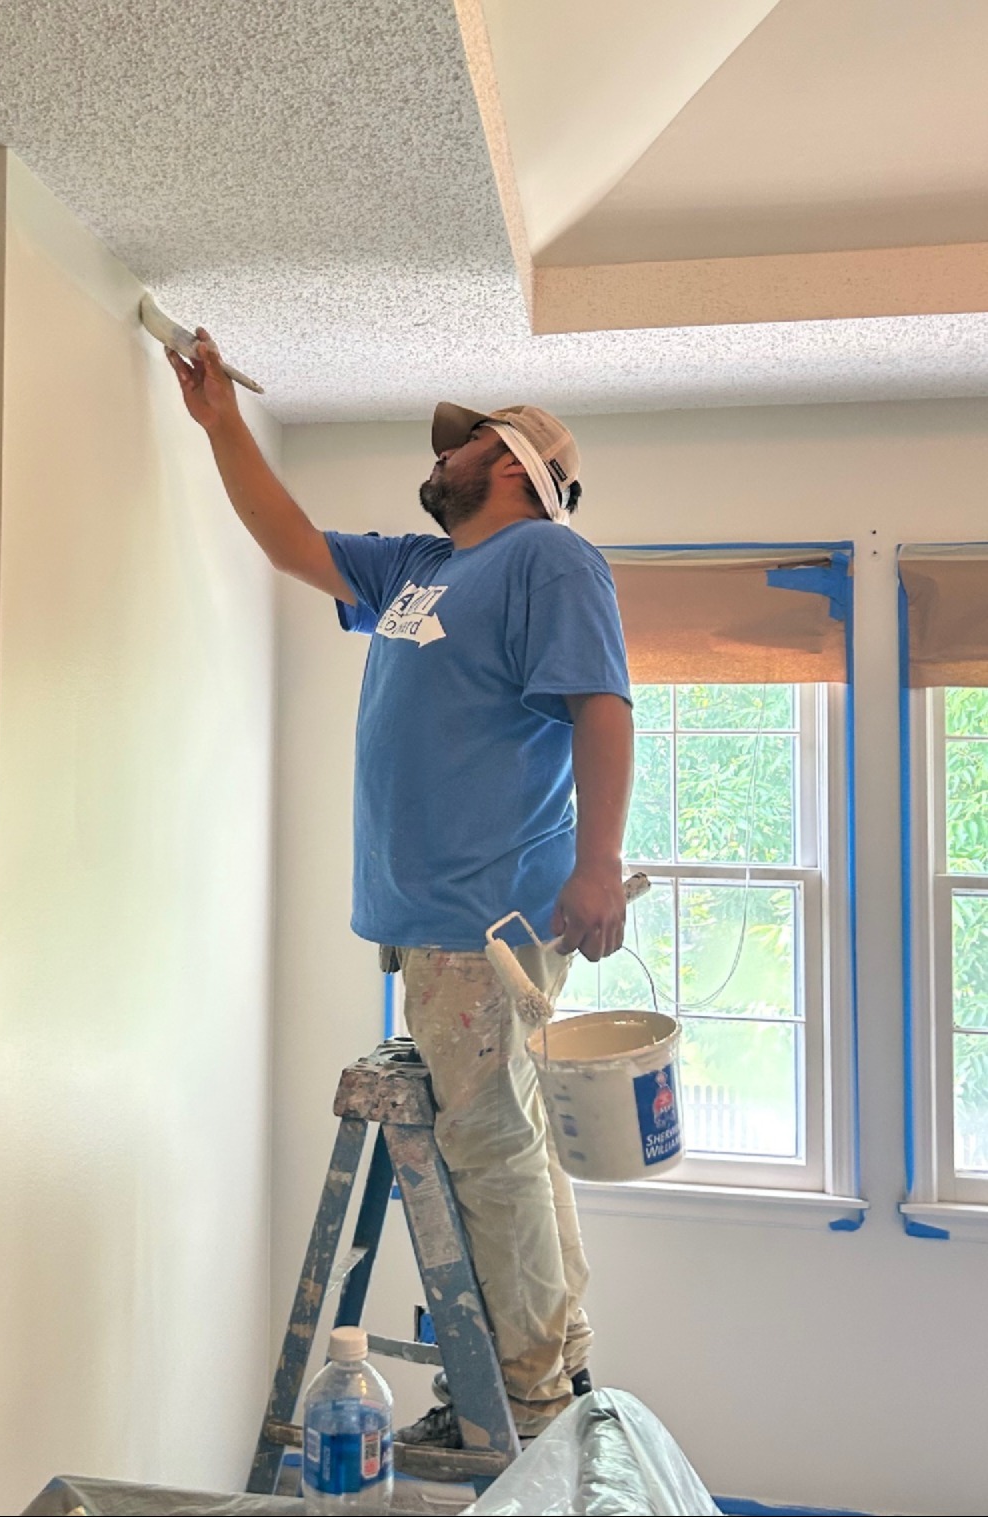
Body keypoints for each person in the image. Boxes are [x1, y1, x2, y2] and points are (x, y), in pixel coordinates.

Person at [166, 332, 634, 1447]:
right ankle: (555, 1360)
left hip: (488, 920)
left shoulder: (548, 559)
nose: (442, 456)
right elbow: (292, 543)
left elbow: (603, 705)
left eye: (463, 443)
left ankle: (524, 1392)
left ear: (512, 464)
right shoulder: (422, 567)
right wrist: (221, 422)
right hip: (434, 922)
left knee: (491, 1150)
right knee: (508, 1137)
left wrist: (599, 862)